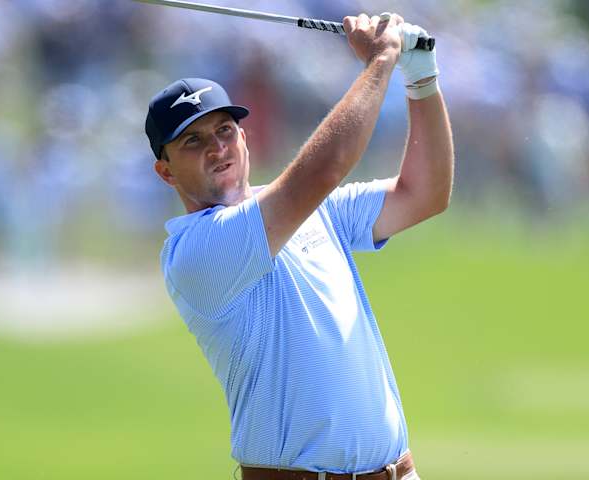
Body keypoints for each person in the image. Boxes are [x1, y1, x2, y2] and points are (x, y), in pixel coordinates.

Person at [145, 13, 453, 480]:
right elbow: (325, 168)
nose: (217, 148)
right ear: (165, 171)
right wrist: (382, 60)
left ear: (244, 138)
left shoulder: (313, 209)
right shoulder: (196, 251)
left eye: (225, 130)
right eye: (193, 140)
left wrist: (421, 77)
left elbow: (425, 193)